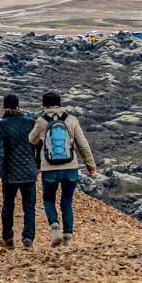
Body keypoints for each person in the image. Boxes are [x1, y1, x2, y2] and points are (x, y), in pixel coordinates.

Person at [29, 91, 97, 249]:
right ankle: (68, 238)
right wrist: (91, 166)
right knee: (67, 201)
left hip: (49, 168)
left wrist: (42, 137)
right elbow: (83, 145)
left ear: (44, 105)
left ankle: (55, 229)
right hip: (70, 167)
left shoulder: (41, 121)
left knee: (48, 199)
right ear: (60, 104)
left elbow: (31, 139)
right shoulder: (71, 120)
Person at [0, 92, 37, 250]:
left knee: (8, 205)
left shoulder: (0, 125)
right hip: (29, 171)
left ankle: (8, 238)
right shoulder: (31, 123)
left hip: (10, 173)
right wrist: (36, 165)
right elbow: (37, 146)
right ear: (19, 106)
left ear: (4, 107)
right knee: (29, 206)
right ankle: (28, 238)